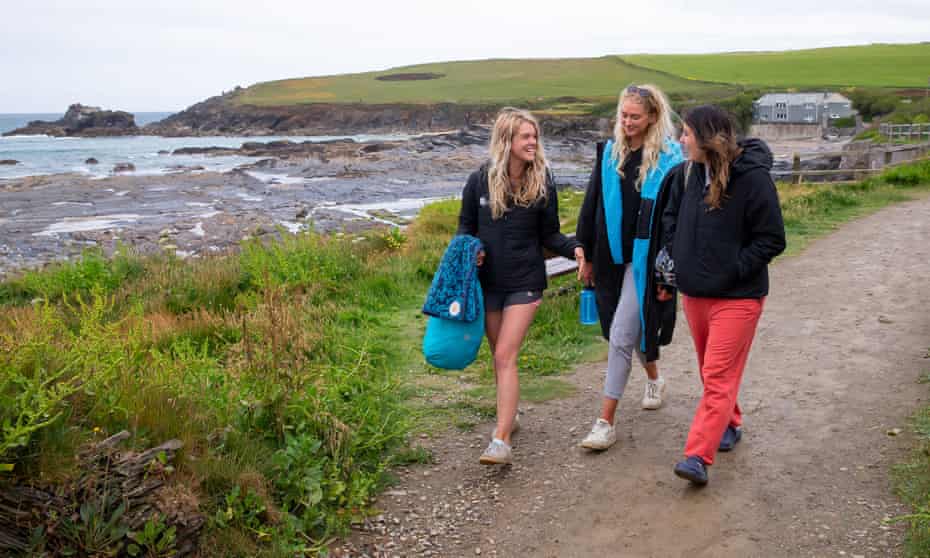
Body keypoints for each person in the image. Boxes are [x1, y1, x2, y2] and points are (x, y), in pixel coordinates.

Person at [660, 105, 786, 485]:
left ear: (707, 137)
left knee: (716, 373)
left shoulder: (753, 179)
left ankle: (697, 455)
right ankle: (730, 422)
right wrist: (677, 257)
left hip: (739, 296)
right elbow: (670, 218)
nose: (681, 140)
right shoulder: (687, 174)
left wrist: (732, 268)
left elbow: (772, 239)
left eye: (686, 134)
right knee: (711, 371)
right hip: (695, 293)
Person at [458, 107, 585, 465]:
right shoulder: (479, 181)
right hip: (488, 283)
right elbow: (465, 229)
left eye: (535, 136)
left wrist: (575, 248)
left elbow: (550, 235)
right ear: (507, 140)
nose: (533, 142)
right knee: (499, 357)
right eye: (526, 136)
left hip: (525, 282)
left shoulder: (543, 180)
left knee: (504, 355)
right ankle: (509, 417)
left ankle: (500, 440)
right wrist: (472, 252)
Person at [575, 84, 684, 451]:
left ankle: (605, 422)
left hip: (647, 264)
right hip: (611, 259)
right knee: (627, 327)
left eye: (634, 116)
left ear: (652, 116)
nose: (626, 122)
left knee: (622, 334)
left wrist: (668, 272)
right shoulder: (609, 154)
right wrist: (585, 254)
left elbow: (675, 221)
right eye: (622, 114)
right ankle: (654, 379)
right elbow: (592, 207)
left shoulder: (670, 160)